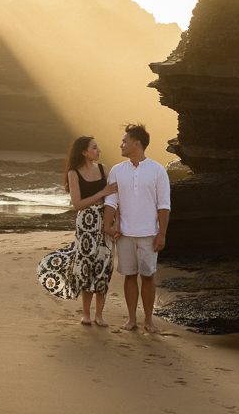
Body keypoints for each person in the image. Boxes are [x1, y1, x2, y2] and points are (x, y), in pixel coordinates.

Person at [36, 136, 118, 326]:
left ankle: (99, 315)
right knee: (86, 265)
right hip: (86, 223)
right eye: (95, 148)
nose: (99, 150)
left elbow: (115, 198)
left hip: (105, 219)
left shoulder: (103, 169)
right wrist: (101, 193)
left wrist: (117, 221)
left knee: (104, 265)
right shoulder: (74, 173)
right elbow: (78, 204)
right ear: (84, 151)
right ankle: (86, 314)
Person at [103, 123, 170, 333]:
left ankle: (148, 320)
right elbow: (111, 201)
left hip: (149, 233)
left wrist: (162, 234)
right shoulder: (116, 170)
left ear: (136, 143)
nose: (121, 144)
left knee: (148, 276)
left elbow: (164, 205)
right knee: (129, 275)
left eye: (125, 141)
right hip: (124, 234)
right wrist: (108, 226)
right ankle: (131, 319)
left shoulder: (158, 170)